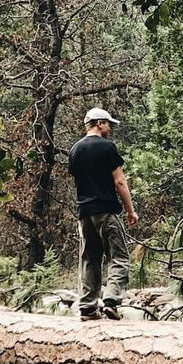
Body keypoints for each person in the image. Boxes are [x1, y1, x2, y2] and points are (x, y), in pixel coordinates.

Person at [67, 107, 138, 320]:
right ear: (99, 123)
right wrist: (130, 211)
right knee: (119, 257)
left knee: (89, 257)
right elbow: (119, 181)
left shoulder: (75, 149)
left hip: (84, 212)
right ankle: (111, 301)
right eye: (108, 124)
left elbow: (78, 180)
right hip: (106, 210)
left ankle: (88, 307)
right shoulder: (107, 147)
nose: (110, 128)